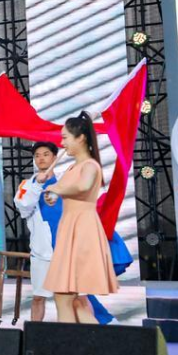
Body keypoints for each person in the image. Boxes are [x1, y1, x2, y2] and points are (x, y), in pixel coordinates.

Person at [43, 112, 119, 323]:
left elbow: (84, 186)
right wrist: (52, 194)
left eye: (65, 137)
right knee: (75, 300)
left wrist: (57, 189)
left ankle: (71, 341)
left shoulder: (90, 166)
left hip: (82, 229)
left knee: (65, 296)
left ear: (81, 138)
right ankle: (90, 341)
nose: (62, 143)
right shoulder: (72, 167)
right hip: (71, 227)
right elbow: (67, 190)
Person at [13, 141, 61, 322]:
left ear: (55, 157)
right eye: (37, 155)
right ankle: (33, 334)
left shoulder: (65, 182)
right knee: (39, 297)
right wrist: (37, 185)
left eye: (46, 154)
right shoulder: (27, 184)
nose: (41, 158)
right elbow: (23, 207)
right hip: (42, 252)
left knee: (72, 298)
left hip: (66, 249)